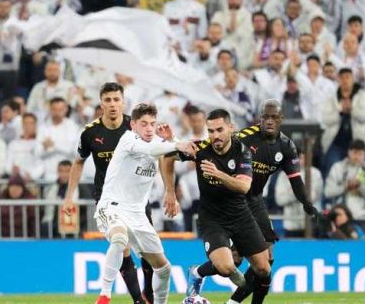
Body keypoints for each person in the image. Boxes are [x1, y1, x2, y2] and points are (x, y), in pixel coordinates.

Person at [185, 100, 322, 303]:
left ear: (281, 119)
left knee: (266, 262)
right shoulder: (244, 138)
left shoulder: (286, 146)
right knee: (234, 261)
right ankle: (201, 273)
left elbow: (295, 180)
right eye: (265, 117)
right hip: (233, 200)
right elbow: (218, 145)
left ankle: (235, 301)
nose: (269, 121)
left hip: (254, 200)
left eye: (273, 117)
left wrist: (308, 205)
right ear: (259, 118)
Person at [92, 103, 197, 304]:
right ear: (133, 125)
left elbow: (179, 155)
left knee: (164, 268)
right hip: (112, 206)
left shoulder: (158, 141)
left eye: (152, 124)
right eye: (144, 124)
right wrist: (175, 144)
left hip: (138, 215)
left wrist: (173, 139)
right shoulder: (128, 139)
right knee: (119, 239)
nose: (149, 128)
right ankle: (104, 295)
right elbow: (153, 149)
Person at [62, 83, 152, 304]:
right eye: (108, 100)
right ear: (101, 103)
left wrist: (168, 191)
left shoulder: (135, 128)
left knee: (147, 253)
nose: (112, 104)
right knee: (121, 245)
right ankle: (137, 300)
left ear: (123, 102)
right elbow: (78, 162)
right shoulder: (90, 132)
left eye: (116, 99)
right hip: (108, 198)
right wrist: (69, 197)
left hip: (136, 198)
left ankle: (148, 294)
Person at [179, 108, 272, 304]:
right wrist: (170, 192)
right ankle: (198, 273)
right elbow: (168, 157)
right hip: (212, 219)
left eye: (219, 130)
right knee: (226, 267)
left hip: (240, 215)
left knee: (264, 269)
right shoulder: (200, 149)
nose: (215, 136)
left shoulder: (242, 151)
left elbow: (244, 186)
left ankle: (204, 275)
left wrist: (218, 174)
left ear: (231, 128)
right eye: (211, 131)